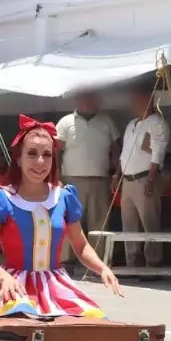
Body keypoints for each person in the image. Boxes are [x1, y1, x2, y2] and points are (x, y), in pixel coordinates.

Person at [0, 115, 122, 317]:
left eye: (47, 155)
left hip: (56, 285)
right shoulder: (0, 198)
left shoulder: (64, 197)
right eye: (32, 154)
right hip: (13, 286)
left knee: (91, 320)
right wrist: (4, 278)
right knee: (23, 321)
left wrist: (102, 268)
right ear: (18, 158)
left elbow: (81, 246)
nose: (40, 162)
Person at [55, 91, 119, 265]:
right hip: (72, 180)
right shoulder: (66, 122)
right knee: (70, 220)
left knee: (99, 221)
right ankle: (67, 260)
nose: (90, 102)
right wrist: (56, 177)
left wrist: (115, 173)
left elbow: (116, 150)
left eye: (93, 98)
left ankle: (97, 261)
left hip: (100, 179)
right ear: (78, 100)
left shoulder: (106, 121)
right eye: (86, 98)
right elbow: (56, 151)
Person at [117, 81, 170, 269]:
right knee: (129, 223)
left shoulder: (157, 123)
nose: (134, 103)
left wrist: (151, 180)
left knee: (150, 222)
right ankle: (132, 261)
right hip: (128, 179)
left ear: (148, 100)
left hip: (145, 178)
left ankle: (153, 262)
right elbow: (124, 152)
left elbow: (158, 153)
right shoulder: (131, 124)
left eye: (138, 99)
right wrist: (118, 176)